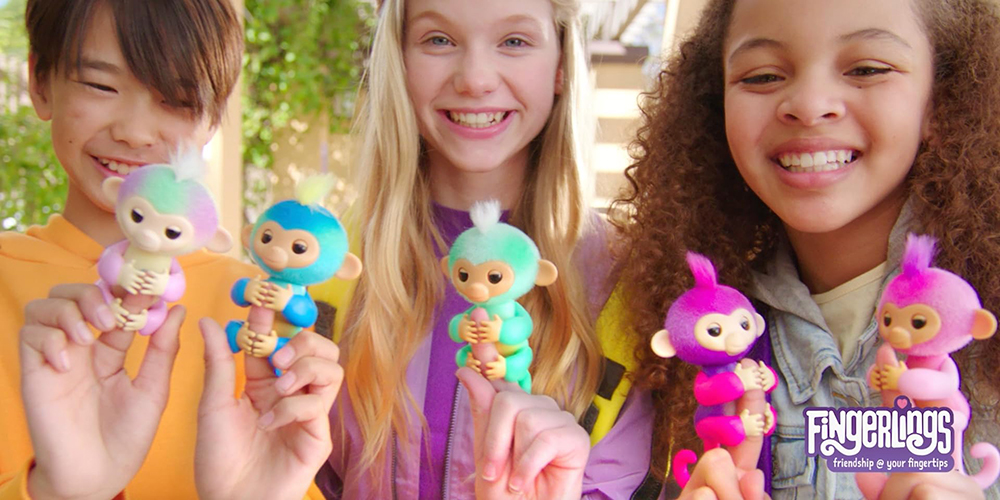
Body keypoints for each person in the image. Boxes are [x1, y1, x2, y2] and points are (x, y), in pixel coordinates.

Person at [611, 0, 1000, 498]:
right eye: (763, 76)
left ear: (942, 102)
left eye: (866, 69)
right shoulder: (701, 333)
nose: (810, 103)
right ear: (716, 107)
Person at [308, 0, 656, 497]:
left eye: (514, 41)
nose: (475, 78)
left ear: (560, 66)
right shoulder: (327, 264)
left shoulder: (629, 280)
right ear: (399, 60)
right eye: (438, 40)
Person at [0, 1, 340, 498]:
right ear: (40, 80)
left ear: (213, 119)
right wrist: (56, 490)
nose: (134, 132)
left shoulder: (257, 310)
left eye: (177, 100)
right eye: (101, 85)